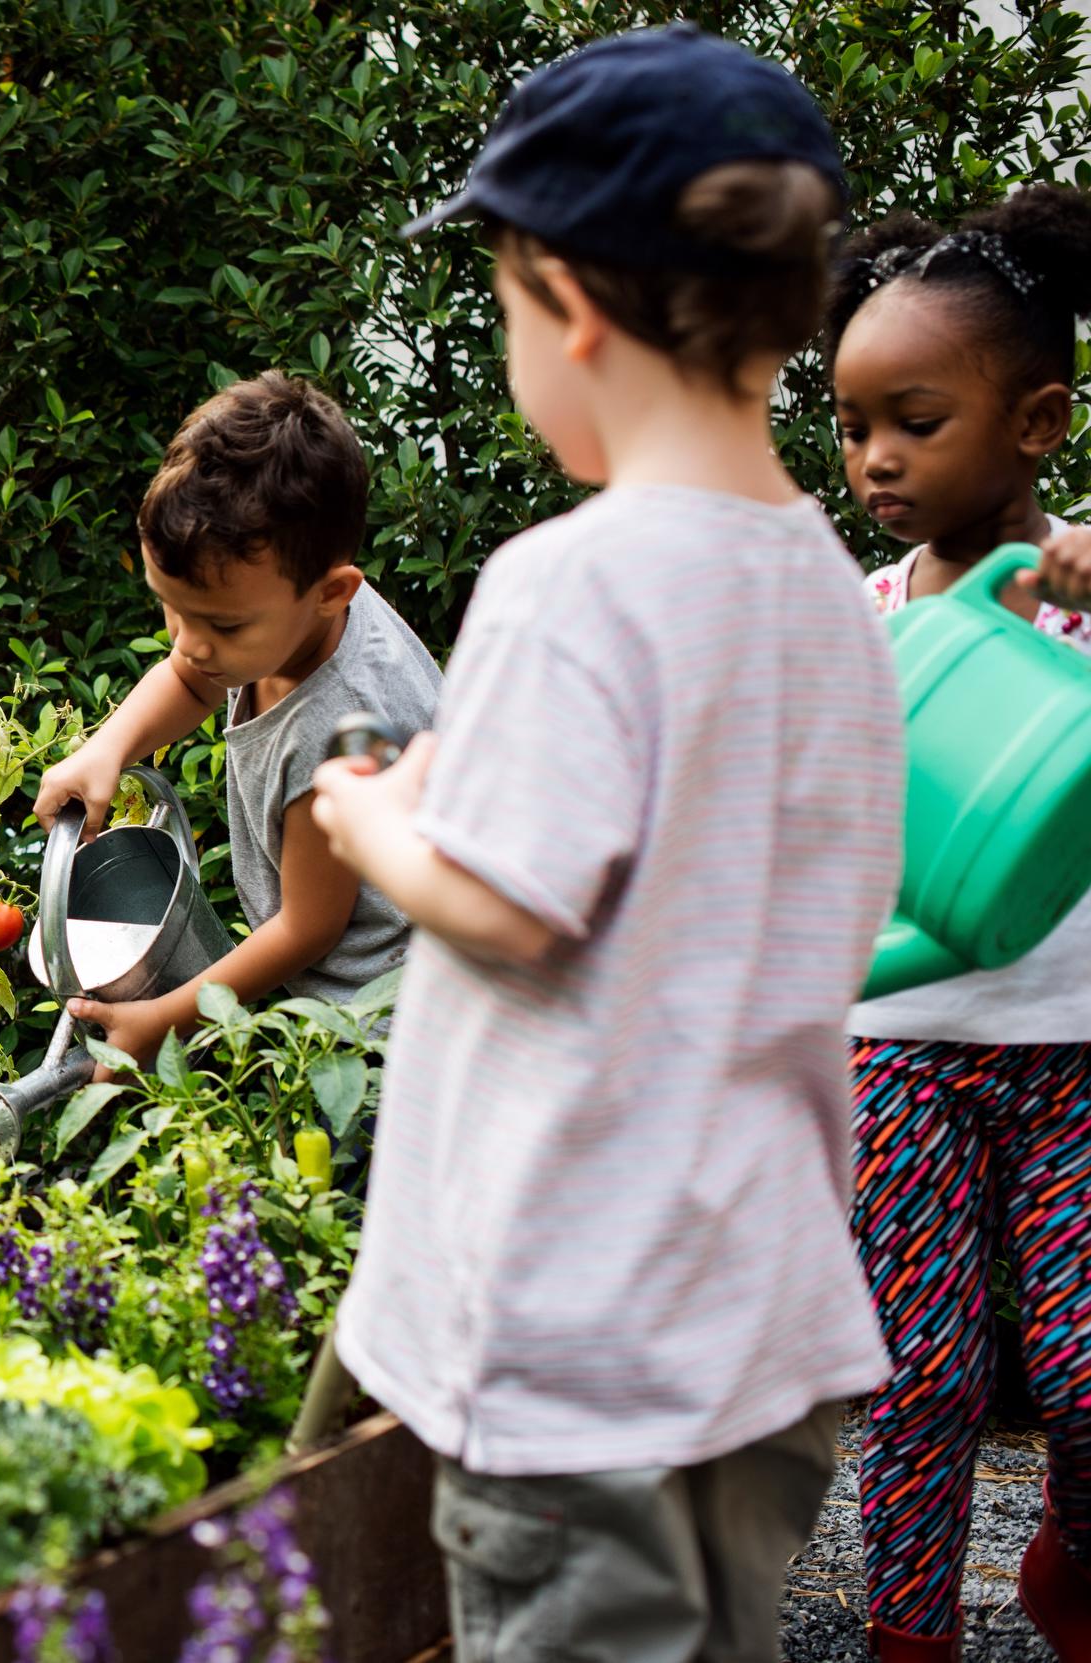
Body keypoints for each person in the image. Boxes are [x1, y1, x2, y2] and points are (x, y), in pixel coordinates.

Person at [309, 27, 903, 1662]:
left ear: (568, 302)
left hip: (583, 1346)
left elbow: (512, 904)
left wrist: (376, 819)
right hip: (755, 1319)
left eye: (504, 310)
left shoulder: (571, 580)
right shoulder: (833, 597)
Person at [825, 184, 1091, 1662]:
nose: (873, 459)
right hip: (905, 1051)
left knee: (1089, 1369)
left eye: (913, 422)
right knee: (920, 1376)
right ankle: (910, 1638)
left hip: (1074, 1056)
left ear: (1039, 420)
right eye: (856, 424)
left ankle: (1069, 1567)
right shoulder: (861, 614)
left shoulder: (1083, 587)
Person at [31, 374, 439, 1059]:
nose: (189, 644)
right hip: (340, 982)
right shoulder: (279, 620)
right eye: (173, 607)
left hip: (387, 1024)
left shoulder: (337, 732)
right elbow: (188, 678)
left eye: (218, 624)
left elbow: (307, 928)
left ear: (332, 593)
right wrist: (108, 748)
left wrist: (163, 1021)